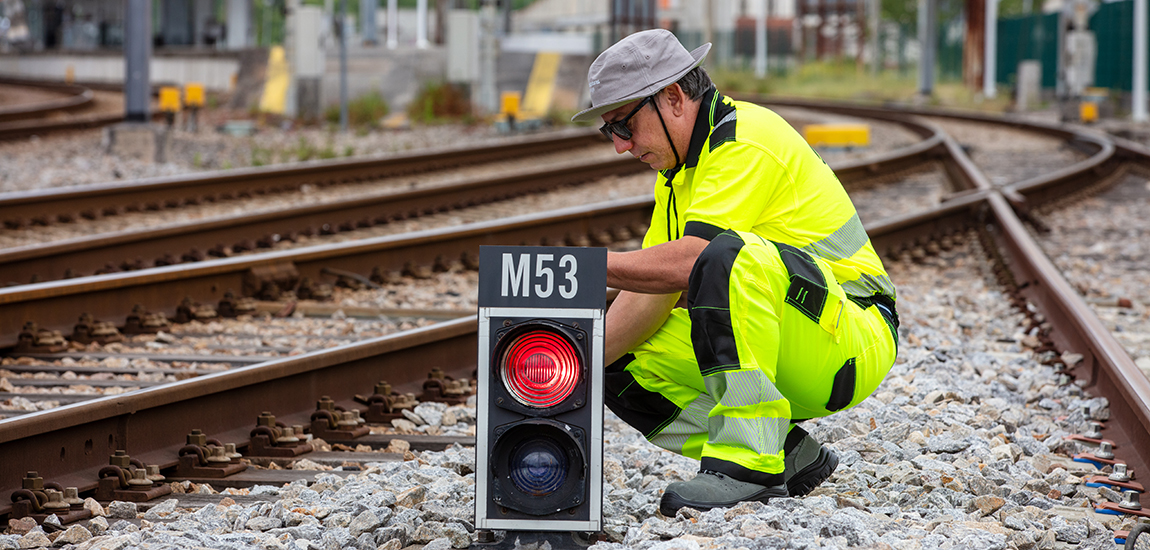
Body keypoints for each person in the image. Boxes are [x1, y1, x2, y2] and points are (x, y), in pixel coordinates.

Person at [572, 29, 899, 516]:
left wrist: (581, 267)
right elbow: (651, 292)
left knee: (724, 256)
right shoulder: (680, 176)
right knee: (613, 360)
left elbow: (691, 260)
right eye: (609, 133)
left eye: (623, 126)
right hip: (800, 336)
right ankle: (787, 453)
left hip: (851, 338)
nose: (620, 146)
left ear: (673, 98)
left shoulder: (747, 138)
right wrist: (566, 369)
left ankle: (747, 463)